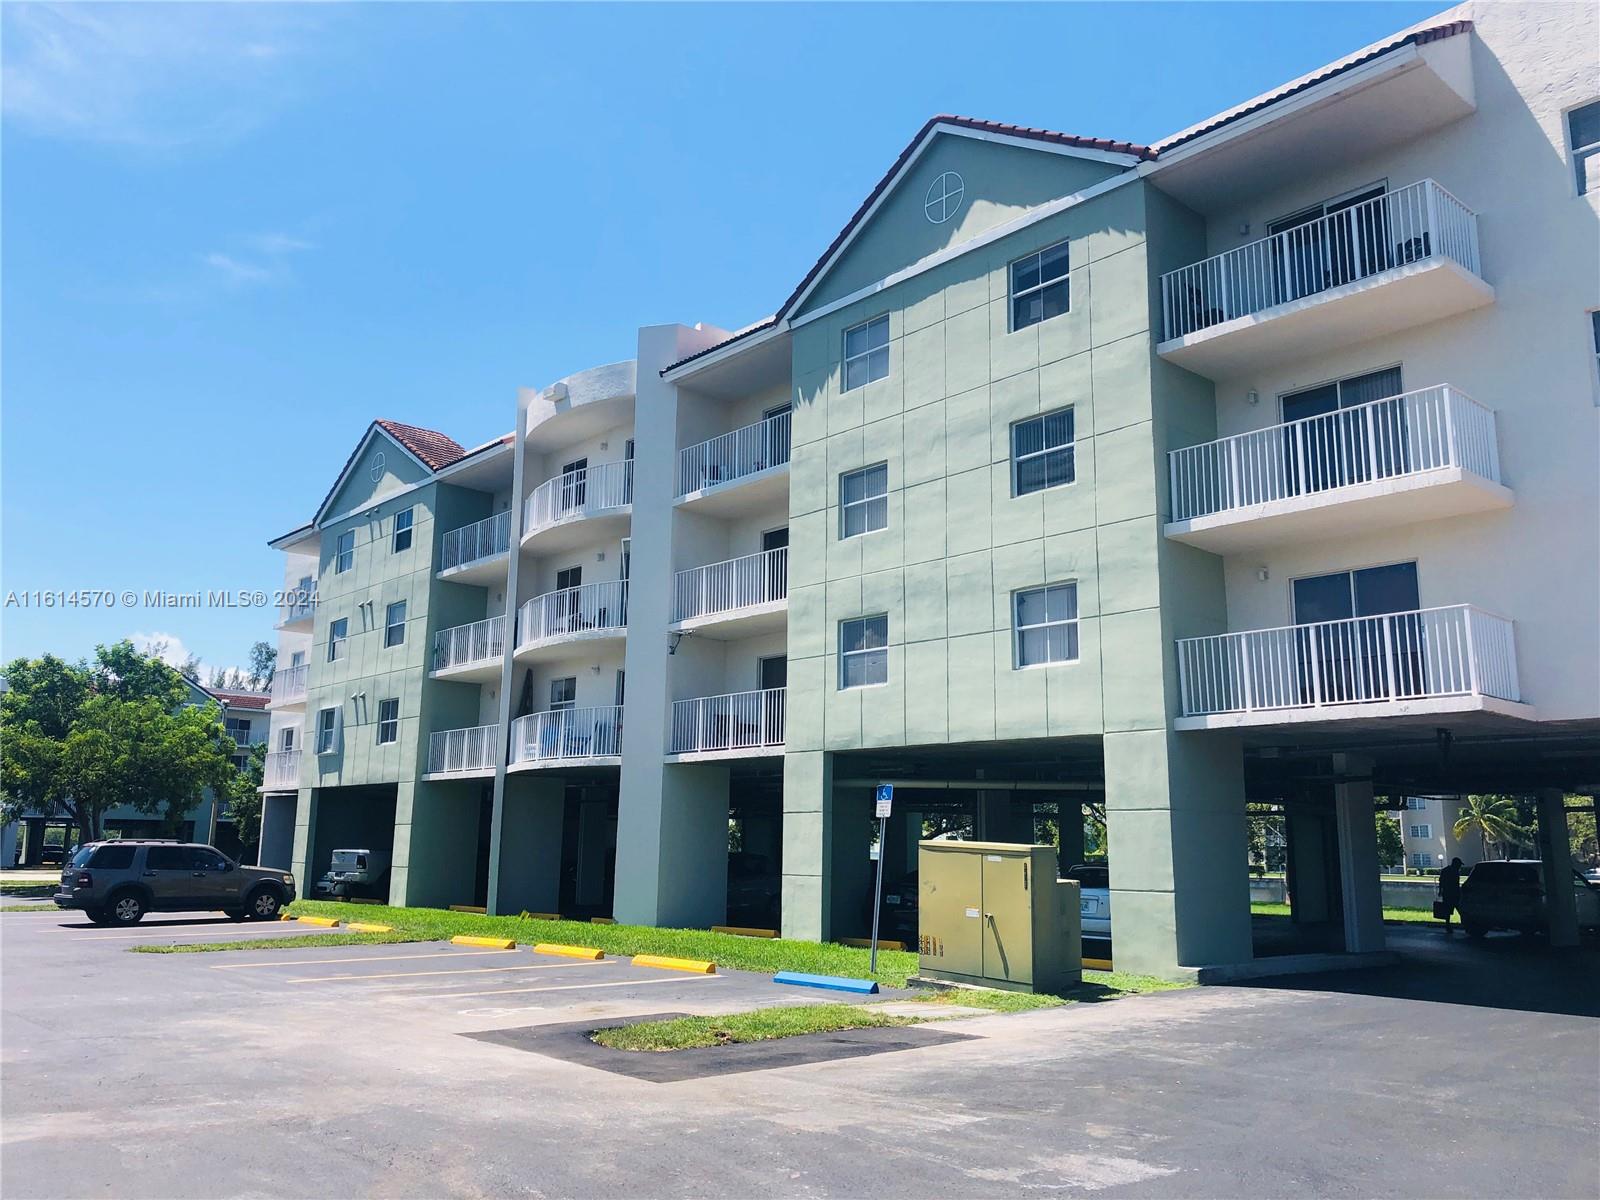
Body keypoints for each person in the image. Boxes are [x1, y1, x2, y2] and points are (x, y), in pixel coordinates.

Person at [1437, 857, 1464, 934]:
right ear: (1456, 864)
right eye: (1459, 865)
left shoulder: (1445, 870)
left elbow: (1441, 882)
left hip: (1447, 893)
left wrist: (1440, 891)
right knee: (1460, 910)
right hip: (1454, 894)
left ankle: (1448, 926)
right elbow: (1456, 884)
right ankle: (1466, 925)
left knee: (1447, 911)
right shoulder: (1455, 872)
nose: (1460, 866)